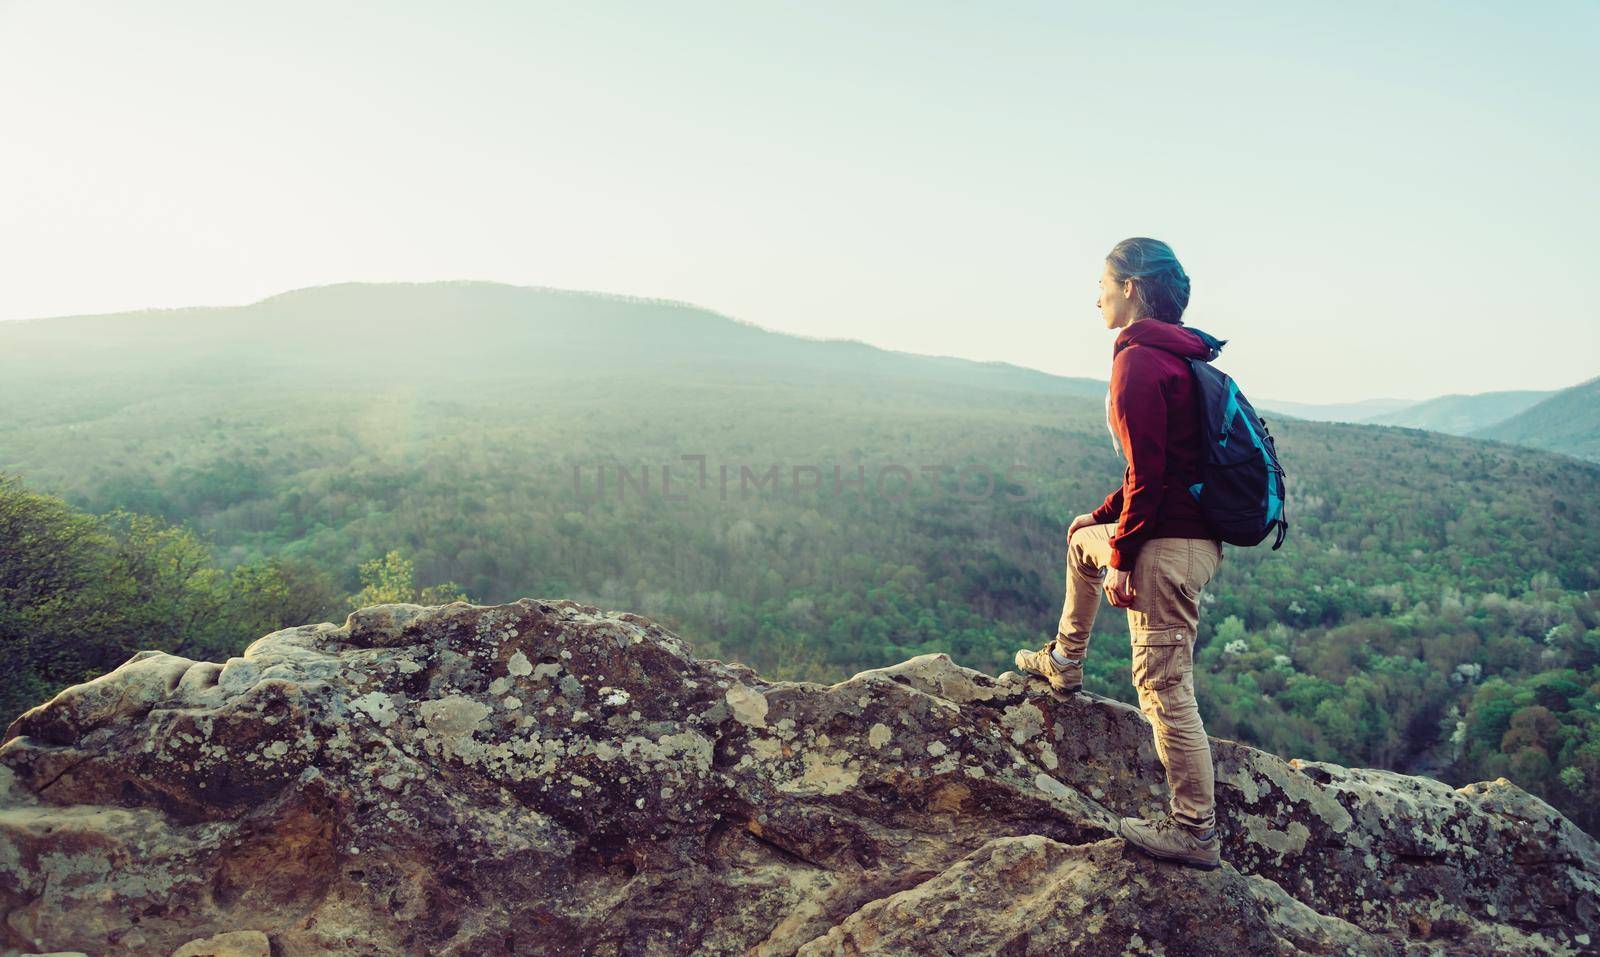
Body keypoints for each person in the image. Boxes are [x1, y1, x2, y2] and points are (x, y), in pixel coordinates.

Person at [1014, 237, 1228, 870]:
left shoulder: (1140, 361)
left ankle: (1195, 830)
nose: (1097, 295)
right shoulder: (1183, 357)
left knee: (1162, 686)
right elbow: (1152, 468)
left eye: (1103, 282)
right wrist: (1103, 523)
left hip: (1167, 549)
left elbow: (1153, 475)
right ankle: (1064, 661)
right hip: (1190, 539)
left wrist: (1125, 556)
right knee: (1082, 540)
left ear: (1132, 287)